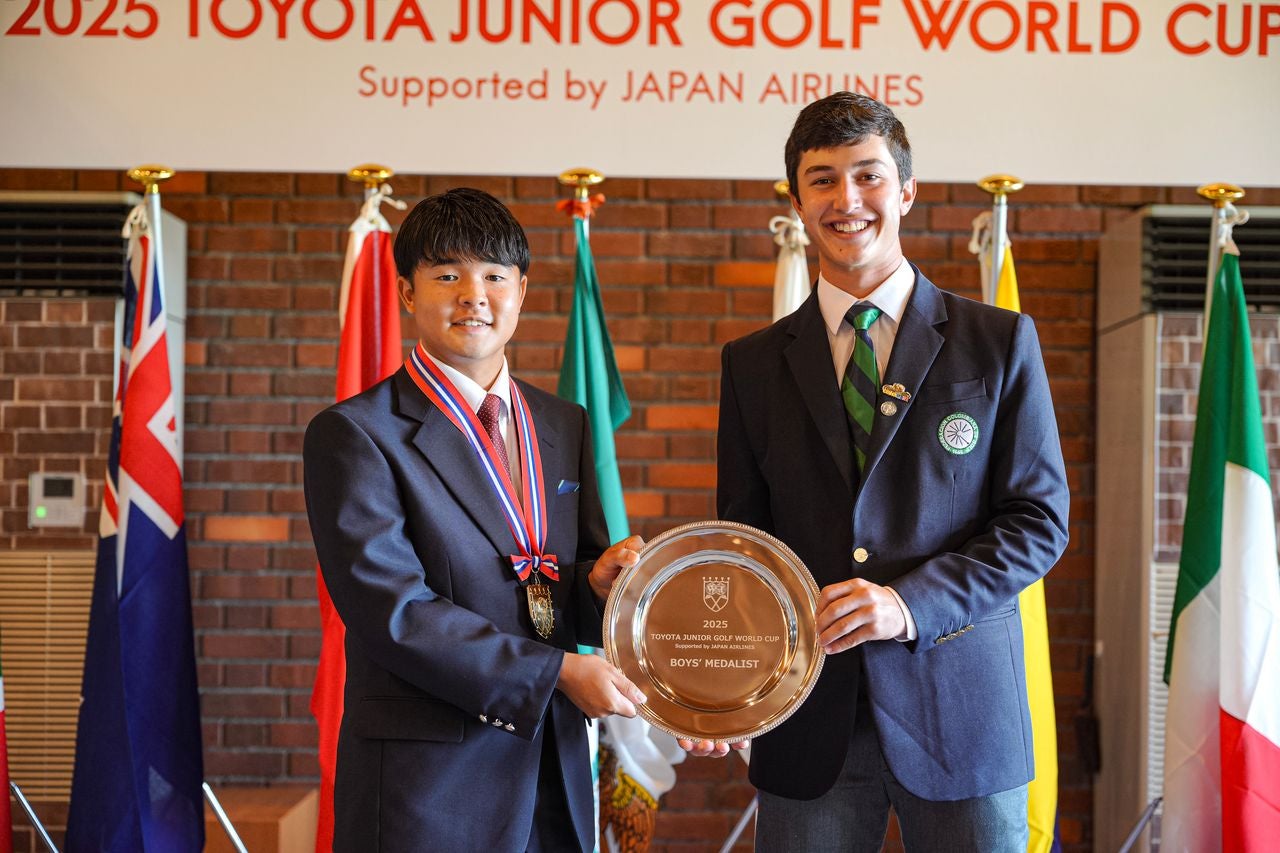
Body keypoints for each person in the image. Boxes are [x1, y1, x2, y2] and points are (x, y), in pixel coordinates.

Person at [714, 92, 1070, 851]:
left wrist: (905, 605)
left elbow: (1038, 521)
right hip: (808, 725)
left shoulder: (999, 342)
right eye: (822, 180)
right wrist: (722, 687)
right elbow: (746, 548)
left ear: (906, 190)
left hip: (965, 719)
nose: (847, 200)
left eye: (868, 175)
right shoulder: (750, 365)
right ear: (798, 201)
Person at [303, 187, 646, 852]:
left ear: (521, 289)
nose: (473, 295)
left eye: (493, 275)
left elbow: (550, 592)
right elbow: (393, 609)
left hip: (554, 763)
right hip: (431, 784)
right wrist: (555, 674)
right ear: (406, 291)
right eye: (447, 275)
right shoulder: (354, 433)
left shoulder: (560, 423)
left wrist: (598, 585)